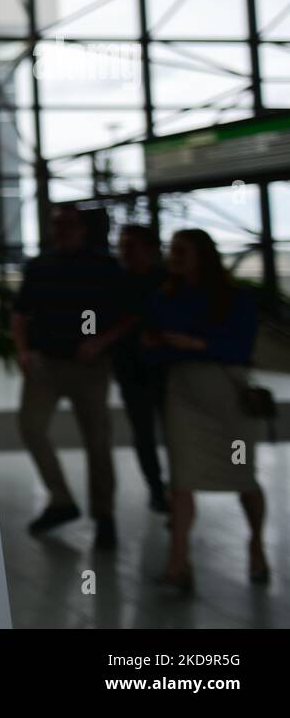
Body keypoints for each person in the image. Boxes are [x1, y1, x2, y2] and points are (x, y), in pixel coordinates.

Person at [145, 229, 268, 590]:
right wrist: (168, 345)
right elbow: (153, 342)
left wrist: (195, 343)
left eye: (182, 250)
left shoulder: (234, 298)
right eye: (173, 250)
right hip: (184, 392)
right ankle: (178, 562)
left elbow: (240, 344)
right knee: (182, 480)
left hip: (226, 393)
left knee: (242, 477)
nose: (175, 256)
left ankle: (256, 543)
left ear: (202, 255)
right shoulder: (166, 296)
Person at [13, 204, 135, 550]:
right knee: (31, 427)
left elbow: (129, 316)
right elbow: (20, 313)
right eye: (57, 225)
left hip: (89, 366)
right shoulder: (40, 266)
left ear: (83, 229)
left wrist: (100, 341)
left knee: (97, 439)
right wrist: (23, 350)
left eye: (68, 225)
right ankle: (61, 499)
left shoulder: (104, 266)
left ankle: (104, 514)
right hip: (47, 362)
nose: (62, 231)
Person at [112, 226, 169, 513]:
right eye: (122, 246)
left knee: (171, 431)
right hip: (133, 367)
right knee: (144, 431)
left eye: (130, 245)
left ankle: (172, 488)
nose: (125, 251)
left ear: (148, 247)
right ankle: (157, 488)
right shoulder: (118, 281)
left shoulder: (167, 280)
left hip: (165, 367)